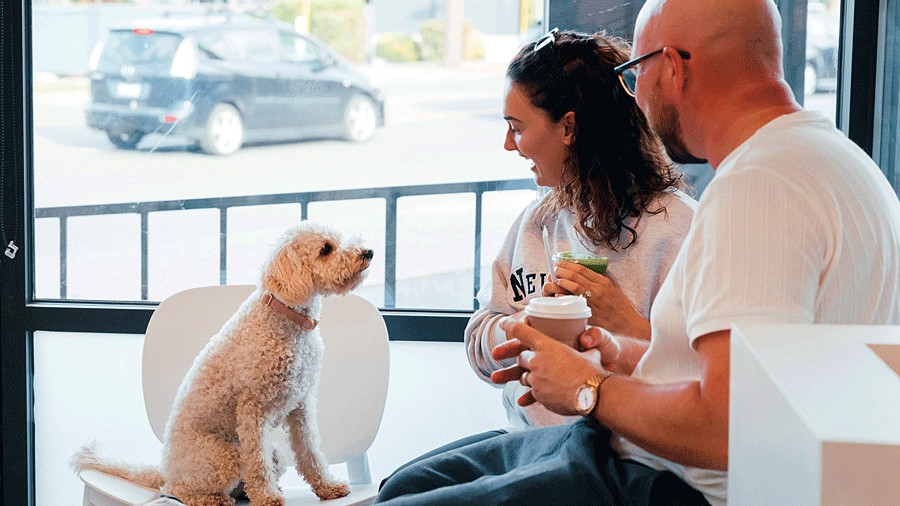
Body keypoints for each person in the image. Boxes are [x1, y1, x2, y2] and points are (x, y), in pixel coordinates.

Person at [376, 0, 900, 505]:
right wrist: (618, 353)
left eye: (636, 73)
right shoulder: (836, 161)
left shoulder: (759, 189)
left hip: (665, 479)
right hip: (632, 453)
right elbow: (756, 380)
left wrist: (588, 388)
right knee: (403, 485)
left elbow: (730, 426)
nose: (636, 96)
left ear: (671, 68)